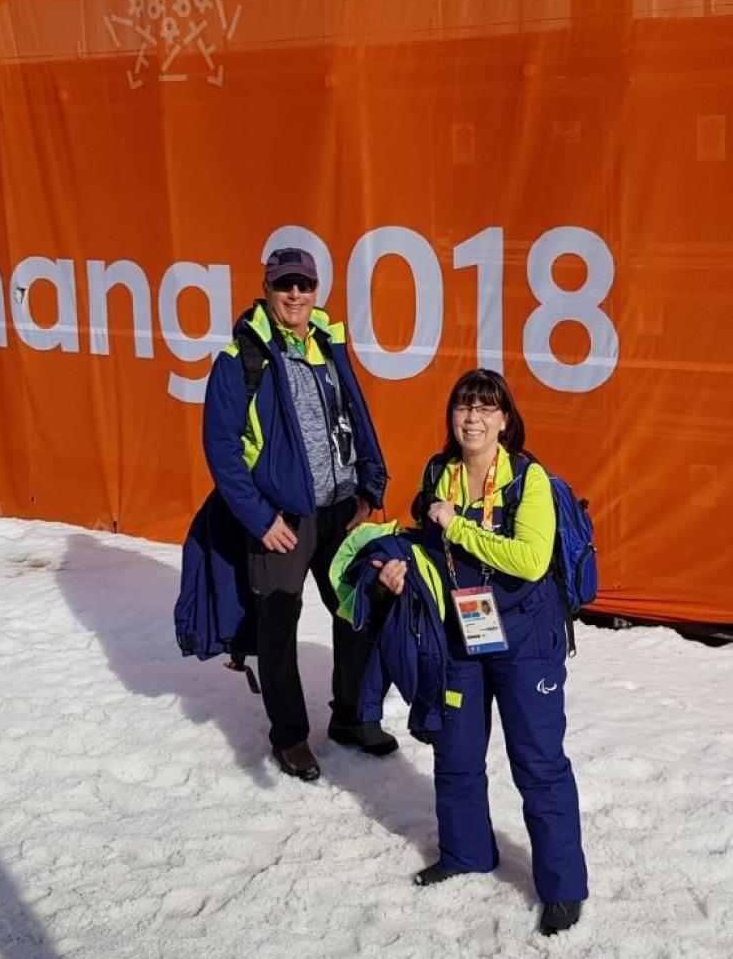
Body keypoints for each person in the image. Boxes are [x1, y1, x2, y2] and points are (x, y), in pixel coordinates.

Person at [372, 369, 588, 936]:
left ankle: (563, 887)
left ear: (505, 420)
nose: (473, 418)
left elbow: (529, 560)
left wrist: (457, 523)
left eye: (486, 408)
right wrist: (401, 570)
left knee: (539, 764)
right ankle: (467, 852)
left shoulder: (530, 479)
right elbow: (425, 542)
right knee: (457, 751)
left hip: (527, 641)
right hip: (459, 633)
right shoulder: (438, 472)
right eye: (464, 407)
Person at [202, 246, 393, 781]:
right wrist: (260, 518)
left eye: (304, 285)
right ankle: (289, 737)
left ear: (316, 292)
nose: (295, 295)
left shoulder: (329, 344)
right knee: (277, 630)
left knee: (357, 610)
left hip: (338, 510)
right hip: (280, 519)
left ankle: (350, 717)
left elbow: (355, 415)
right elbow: (221, 448)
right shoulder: (241, 356)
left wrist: (366, 485)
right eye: (285, 284)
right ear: (267, 287)